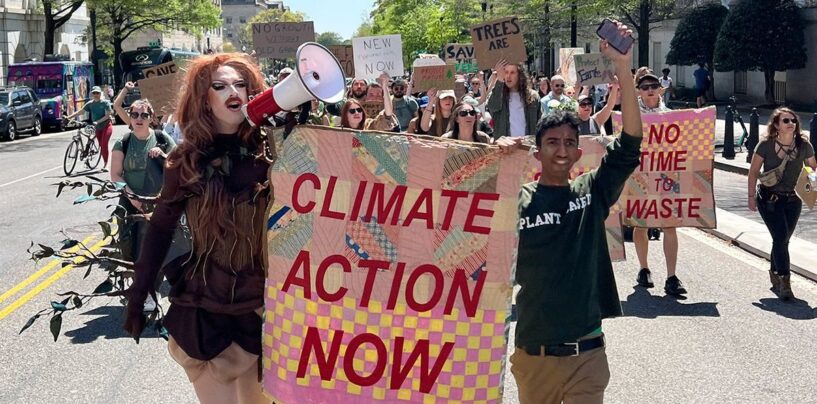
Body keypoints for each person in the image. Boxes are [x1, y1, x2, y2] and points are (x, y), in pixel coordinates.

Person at [497, 22, 641, 403]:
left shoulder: (591, 192)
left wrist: (623, 68)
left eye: (569, 143)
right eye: (551, 143)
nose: (561, 149)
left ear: (579, 152)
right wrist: (492, 161)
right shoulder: (516, 202)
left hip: (588, 356)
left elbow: (630, 144)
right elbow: (465, 215)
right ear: (536, 151)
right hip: (535, 358)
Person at [123, 53, 275, 404]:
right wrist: (139, 294)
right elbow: (160, 228)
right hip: (206, 305)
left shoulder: (276, 156)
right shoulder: (186, 161)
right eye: (219, 86)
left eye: (241, 85)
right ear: (203, 98)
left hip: (266, 305)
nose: (232, 92)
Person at [748, 108, 817, 300]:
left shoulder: (804, 145)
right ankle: (785, 284)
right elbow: (753, 171)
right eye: (786, 120)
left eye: (793, 121)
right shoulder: (766, 145)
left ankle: (774, 272)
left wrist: (812, 190)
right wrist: (751, 196)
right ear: (776, 125)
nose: (791, 124)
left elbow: (813, 168)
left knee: (782, 239)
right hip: (769, 198)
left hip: (793, 200)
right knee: (780, 237)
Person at [631, 69, 685, 296]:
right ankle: (644, 268)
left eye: (653, 86)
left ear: (660, 89)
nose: (650, 90)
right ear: (639, 92)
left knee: (669, 225)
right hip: (640, 175)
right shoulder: (631, 117)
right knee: (640, 224)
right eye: (645, 87)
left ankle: (671, 277)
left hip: (666, 177)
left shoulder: (671, 116)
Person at [110, 99, 177, 265]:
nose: (139, 118)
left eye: (144, 115)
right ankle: (134, 276)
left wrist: (163, 155)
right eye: (134, 114)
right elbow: (115, 175)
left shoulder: (162, 138)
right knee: (128, 244)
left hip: (157, 199)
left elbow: (180, 163)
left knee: (158, 244)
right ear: (130, 117)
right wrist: (132, 197)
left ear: (151, 118)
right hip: (129, 198)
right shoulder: (123, 142)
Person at [486, 60, 540, 139]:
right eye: (506, 72)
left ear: (519, 75)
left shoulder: (533, 96)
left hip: (528, 146)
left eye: (512, 72)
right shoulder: (498, 94)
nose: (508, 76)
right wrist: (499, 81)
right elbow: (492, 107)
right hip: (505, 147)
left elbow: (540, 123)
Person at [64, 86, 113, 169]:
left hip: (106, 125)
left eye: (97, 93)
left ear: (100, 94)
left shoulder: (105, 103)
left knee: (104, 144)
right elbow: (80, 112)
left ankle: (106, 165)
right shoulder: (90, 104)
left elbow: (107, 116)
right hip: (97, 127)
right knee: (101, 145)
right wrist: (68, 117)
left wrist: (97, 121)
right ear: (92, 94)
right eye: (94, 93)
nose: (96, 95)